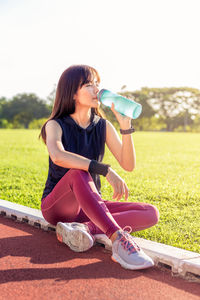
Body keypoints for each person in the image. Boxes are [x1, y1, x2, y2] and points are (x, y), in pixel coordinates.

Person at [39, 64, 159, 271]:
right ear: (73, 93)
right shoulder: (55, 124)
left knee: (150, 212)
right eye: (88, 85)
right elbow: (58, 156)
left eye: (97, 84)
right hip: (58, 206)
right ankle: (118, 240)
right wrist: (103, 169)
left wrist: (125, 127)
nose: (97, 90)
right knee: (79, 172)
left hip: (89, 208)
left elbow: (128, 165)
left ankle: (84, 228)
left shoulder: (102, 125)